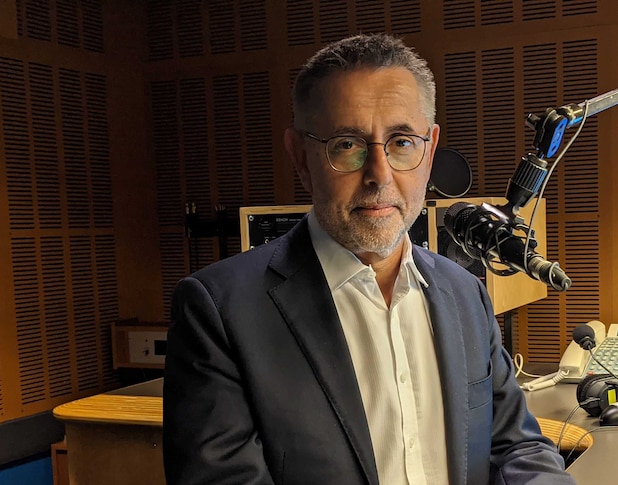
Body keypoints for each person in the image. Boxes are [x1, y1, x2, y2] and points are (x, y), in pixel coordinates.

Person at [163, 33, 576, 485]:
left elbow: (514, 445)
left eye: (401, 142)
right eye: (346, 144)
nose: (379, 175)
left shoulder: (466, 294)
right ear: (301, 157)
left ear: (430, 149)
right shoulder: (219, 311)